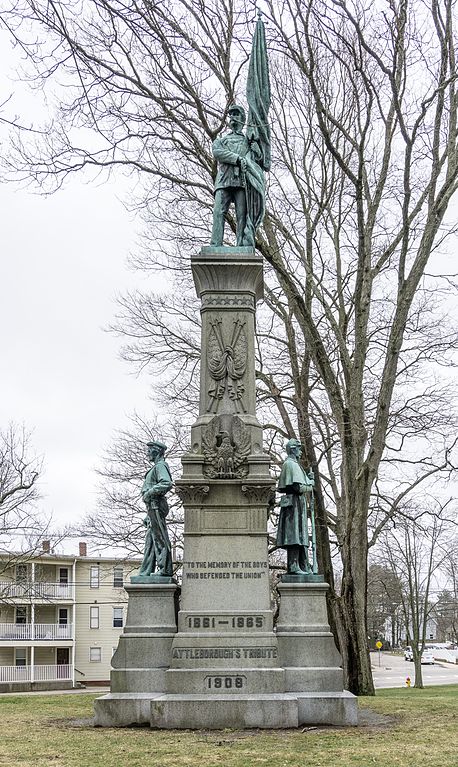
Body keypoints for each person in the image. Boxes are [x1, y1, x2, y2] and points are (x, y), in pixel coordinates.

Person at [210, 104, 266, 247]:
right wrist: (237, 159)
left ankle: (241, 245)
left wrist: (257, 151)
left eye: (236, 114)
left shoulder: (247, 141)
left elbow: (258, 162)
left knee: (242, 215)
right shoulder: (221, 140)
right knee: (218, 211)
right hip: (223, 180)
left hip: (241, 182)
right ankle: (215, 244)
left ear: (242, 118)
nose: (233, 117)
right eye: (231, 115)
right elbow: (217, 153)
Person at [276, 439, 315, 575]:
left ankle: (303, 564)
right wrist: (310, 485)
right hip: (294, 504)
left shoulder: (295, 464)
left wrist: (308, 481)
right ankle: (293, 565)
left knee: (301, 535)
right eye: (298, 448)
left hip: (299, 504)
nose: (301, 451)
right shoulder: (290, 464)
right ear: (293, 449)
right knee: (294, 535)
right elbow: (297, 487)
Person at [138, 440, 173, 578]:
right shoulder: (156, 467)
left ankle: (164, 570)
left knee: (159, 539)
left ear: (156, 451)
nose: (147, 453)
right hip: (152, 508)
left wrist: (149, 493)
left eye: (149, 450)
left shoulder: (160, 466)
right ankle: (146, 571)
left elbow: (166, 483)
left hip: (156, 506)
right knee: (150, 542)